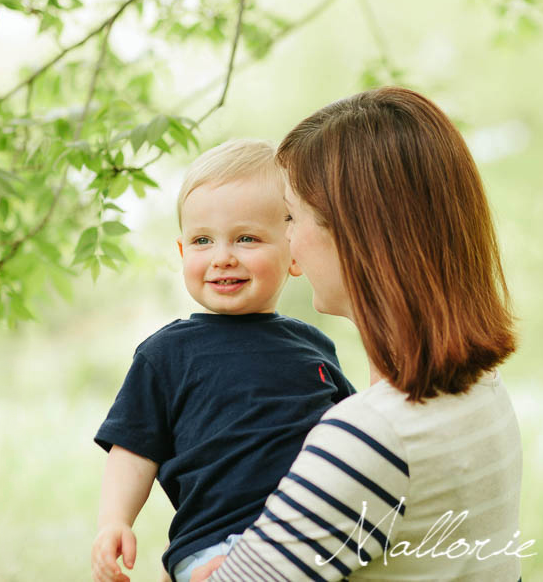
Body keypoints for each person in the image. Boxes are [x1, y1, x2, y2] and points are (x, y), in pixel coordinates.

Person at [195, 87, 523, 581]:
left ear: (356, 237)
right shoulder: (482, 391)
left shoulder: (372, 437)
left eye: (291, 216)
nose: (285, 238)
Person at [91, 139, 356, 582]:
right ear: (181, 253)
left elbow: (351, 436)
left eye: (246, 238)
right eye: (202, 241)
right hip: (215, 542)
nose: (222, 257)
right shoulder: (166, 354)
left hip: (306, 536)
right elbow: (133, 448)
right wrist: (115, 521)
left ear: (294, 252)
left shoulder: (313, 347)